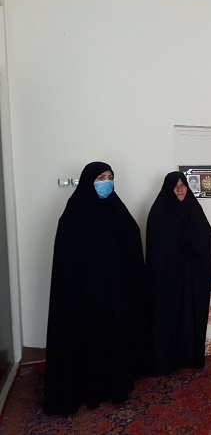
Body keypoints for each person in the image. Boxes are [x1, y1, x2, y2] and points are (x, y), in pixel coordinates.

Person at [44, 162, 145, 415]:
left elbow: (132, 240)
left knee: (113, 334)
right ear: (89, 180)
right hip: (85, 293)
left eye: (110, 177)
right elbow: (67, 258)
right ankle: (87, 387)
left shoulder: (116, 208)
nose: (106, 182)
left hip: (114, 290)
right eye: (101, 177)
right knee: (88, 337)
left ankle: (113, 383)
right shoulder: (74, 213)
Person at [146, 172, 211, 376]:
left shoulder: (193, 209)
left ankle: (189, 356)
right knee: (167, 316)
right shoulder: (159, 212)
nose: (179, 189)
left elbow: (208, 239)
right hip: (166, 278)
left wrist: (190, 240)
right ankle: (166, 360)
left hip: (190, 277)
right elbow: (156, 248)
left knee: (189, 314)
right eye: (175, 185)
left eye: (183, 184)